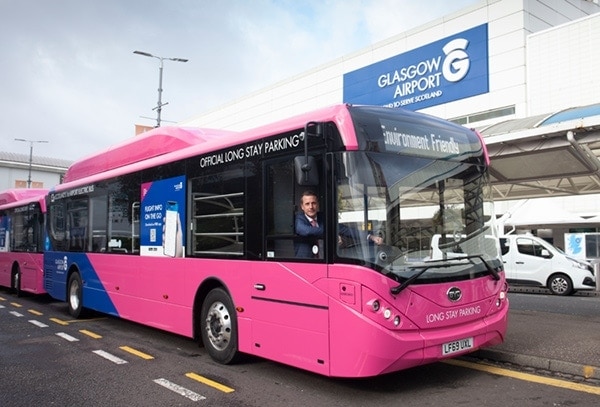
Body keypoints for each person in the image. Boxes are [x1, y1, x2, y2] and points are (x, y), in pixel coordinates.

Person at [294, 190, 382, 258]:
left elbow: (345, 230)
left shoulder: (324, 217)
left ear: (318, 205)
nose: (311, 207)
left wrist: (370, 237)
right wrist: (333, 235)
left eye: (313, 203)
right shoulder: (298, 218)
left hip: (324, 263)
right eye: (307, 204)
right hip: (305, 263)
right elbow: (306, 231)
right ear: (302, 206)